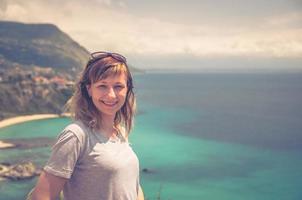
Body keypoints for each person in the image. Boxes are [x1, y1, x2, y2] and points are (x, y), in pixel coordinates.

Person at [31, 51, 144, 200]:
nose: (111, 95)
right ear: (89, 89)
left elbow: (131, 186)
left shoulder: (120, 132)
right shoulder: (76, 135)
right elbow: (42, 196)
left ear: (127, 89)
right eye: (102, 86)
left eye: (118, 86)